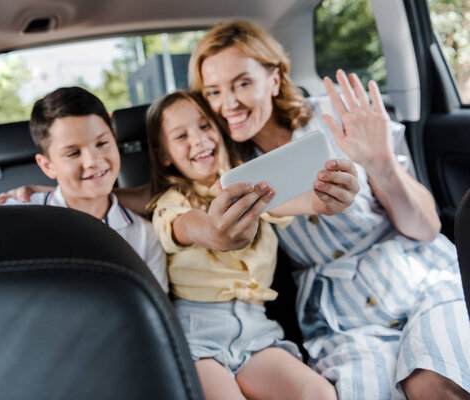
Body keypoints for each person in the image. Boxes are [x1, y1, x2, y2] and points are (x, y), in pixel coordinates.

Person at [188, 20, 470, 399]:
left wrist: (382, 163)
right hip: (340, 317)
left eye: (242, 83)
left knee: (433, 386)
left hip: (418, 279)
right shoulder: (219, 165)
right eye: (214, 92)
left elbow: (426, 227)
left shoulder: (338, 118)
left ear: (274, 79)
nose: (228, 103)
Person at [146, 89, 337, 400]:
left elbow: (282, 203)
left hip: (256, 330)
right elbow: (181, 226)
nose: (198, 139)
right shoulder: (172, 201)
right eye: (181, 136)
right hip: (197, 333)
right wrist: (211, 229)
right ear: (164, 155)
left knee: (320, 393)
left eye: (205, 126)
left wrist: (320, 200)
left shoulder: (252, 185)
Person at [0, 86, 168, 293]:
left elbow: (155, 313)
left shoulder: (143, 235)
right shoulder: (15, 217)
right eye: (73, 153)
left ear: (114, 139)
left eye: (102, 143)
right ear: (47, 165)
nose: (93, 161)